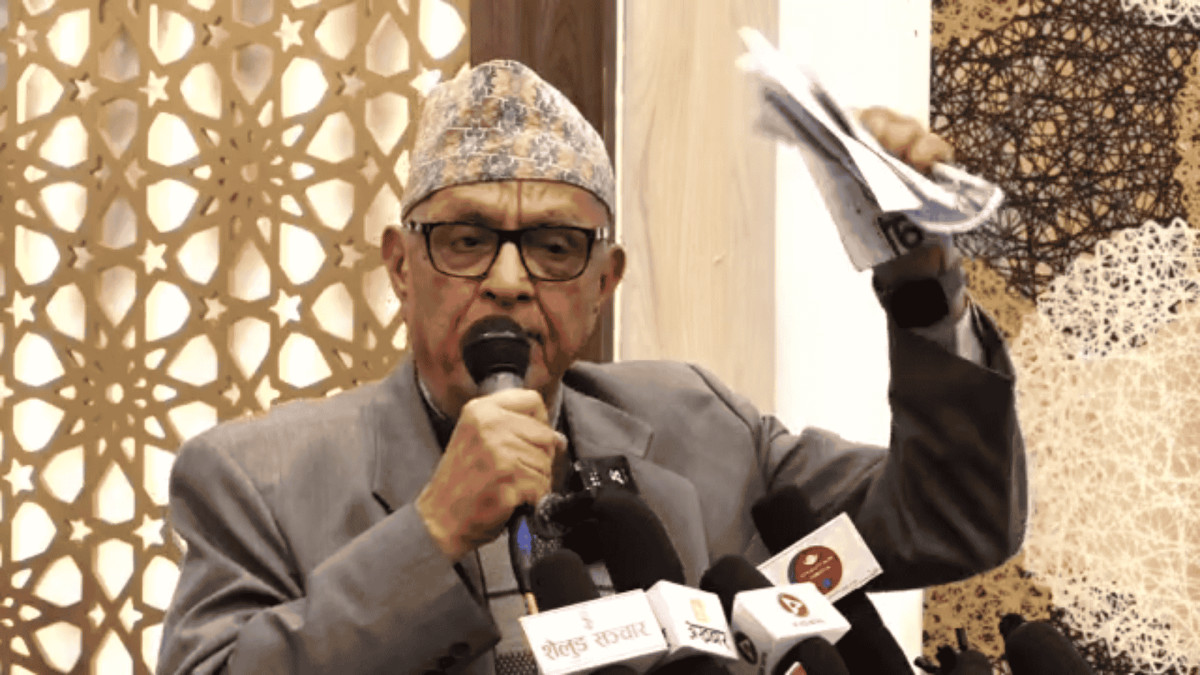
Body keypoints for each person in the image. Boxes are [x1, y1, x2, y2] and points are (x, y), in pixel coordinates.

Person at [157, 60, 1026, 674]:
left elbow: (951, 520)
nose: (507, 280)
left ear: (604, 282)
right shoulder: (256, 479)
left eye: (553, 246)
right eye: (465, 239)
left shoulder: (701, 426)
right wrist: (431, 530)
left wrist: (920, 288)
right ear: (400, 266)